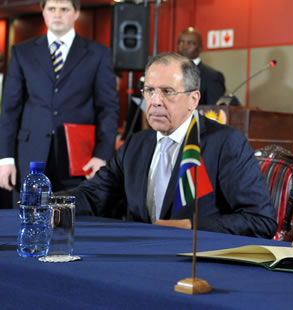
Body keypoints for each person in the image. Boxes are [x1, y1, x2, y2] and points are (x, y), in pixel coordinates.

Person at [65, 53, 277, 237]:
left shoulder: (226, 144)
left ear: (193, 100)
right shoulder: (137, 144)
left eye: (167, 91)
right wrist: (46, 204)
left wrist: (190, 226)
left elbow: (260, 221)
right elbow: (94, 194)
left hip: (198, 266)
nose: (155, 101)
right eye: (149, 90)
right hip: (140, 258)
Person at [0, 0, 119, 198]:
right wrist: (5, 158)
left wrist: (102, 155)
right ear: (43, 12)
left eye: (64, 9)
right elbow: (10, 108)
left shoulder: (98, 53)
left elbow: (108, 108)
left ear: (76, 13)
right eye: (52, 8)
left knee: (71, 222)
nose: (57, 14)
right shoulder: (22, 52)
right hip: (29, 153)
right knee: (27, 221)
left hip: (78, 158)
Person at [177, 27, 226, 105]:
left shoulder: (212, 76)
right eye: (181, 42)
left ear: (200, 47)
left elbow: (214, 112)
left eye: (190, 43)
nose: (185, 47)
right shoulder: (170, 72)